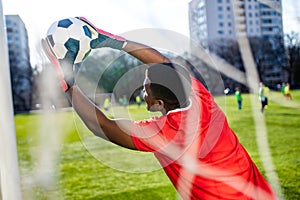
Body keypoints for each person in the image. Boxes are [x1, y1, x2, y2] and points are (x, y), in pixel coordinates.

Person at [42, 17, 277, 200]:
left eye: (145, 90)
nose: (142, 93)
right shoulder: (201, 98)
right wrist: (110, 41)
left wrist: (66, 81)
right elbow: (163, 64)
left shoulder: (164, 133)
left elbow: (101, 126)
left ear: (159, 104)